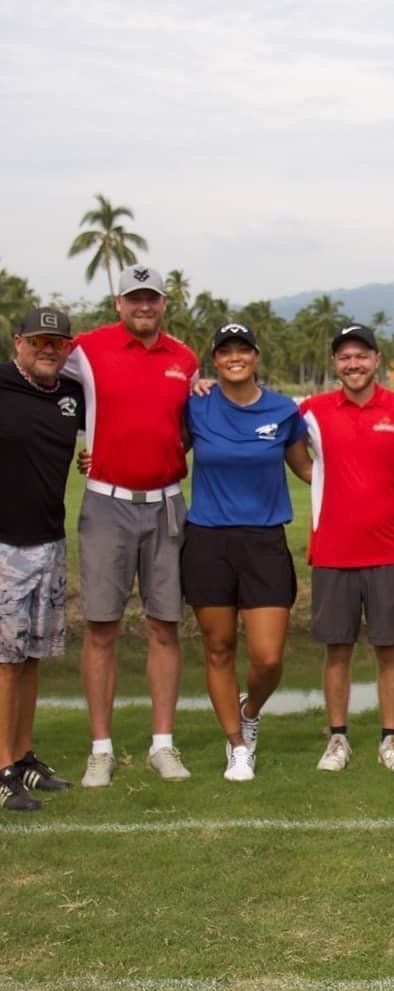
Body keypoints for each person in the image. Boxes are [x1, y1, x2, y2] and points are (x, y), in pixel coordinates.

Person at [64, 265, 198, 788]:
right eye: (135, 298)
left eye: (152, 298)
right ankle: (100, 750)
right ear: (118, 302)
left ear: (163, 303)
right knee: (102, 627)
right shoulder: (86, 349)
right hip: (106, 505)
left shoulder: (185, 359)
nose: (144, 306)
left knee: (164, 626)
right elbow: (41, 370)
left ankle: (162, 744)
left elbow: (186, 428)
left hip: (166, 505)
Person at [299, 324, 394, 774]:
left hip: (388, 551)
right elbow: (289, 449)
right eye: (345, 357)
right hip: (333, 551)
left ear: (377, 360)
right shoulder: (313, 410)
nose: (353, 364)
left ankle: (390, 740)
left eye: (361, 355)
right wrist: (319, 479)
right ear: (335, 363)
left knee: (389, 650)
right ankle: (337, 739)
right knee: (337, 650)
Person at [181, 322, 311, 781]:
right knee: (219, 648)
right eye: (225, 351)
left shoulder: (283, 410)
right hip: (208, 540)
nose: (234, 357)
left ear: (256, 356)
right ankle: (237, 745)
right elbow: (162, 450)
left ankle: (249, 710)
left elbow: (307, 470)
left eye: (243, 349)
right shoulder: (196, 405)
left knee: (268, 657)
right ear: (215, 360)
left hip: (264, 540)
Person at [0, 308, 84, 810]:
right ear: (19, 342)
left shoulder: (72, 394)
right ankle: (1, 769)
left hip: (50, 541)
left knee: (32, 658)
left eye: (57, 342)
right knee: (5, 663)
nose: (48, 350)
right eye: (38, 341)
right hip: (5, 545)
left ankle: (22, 756)